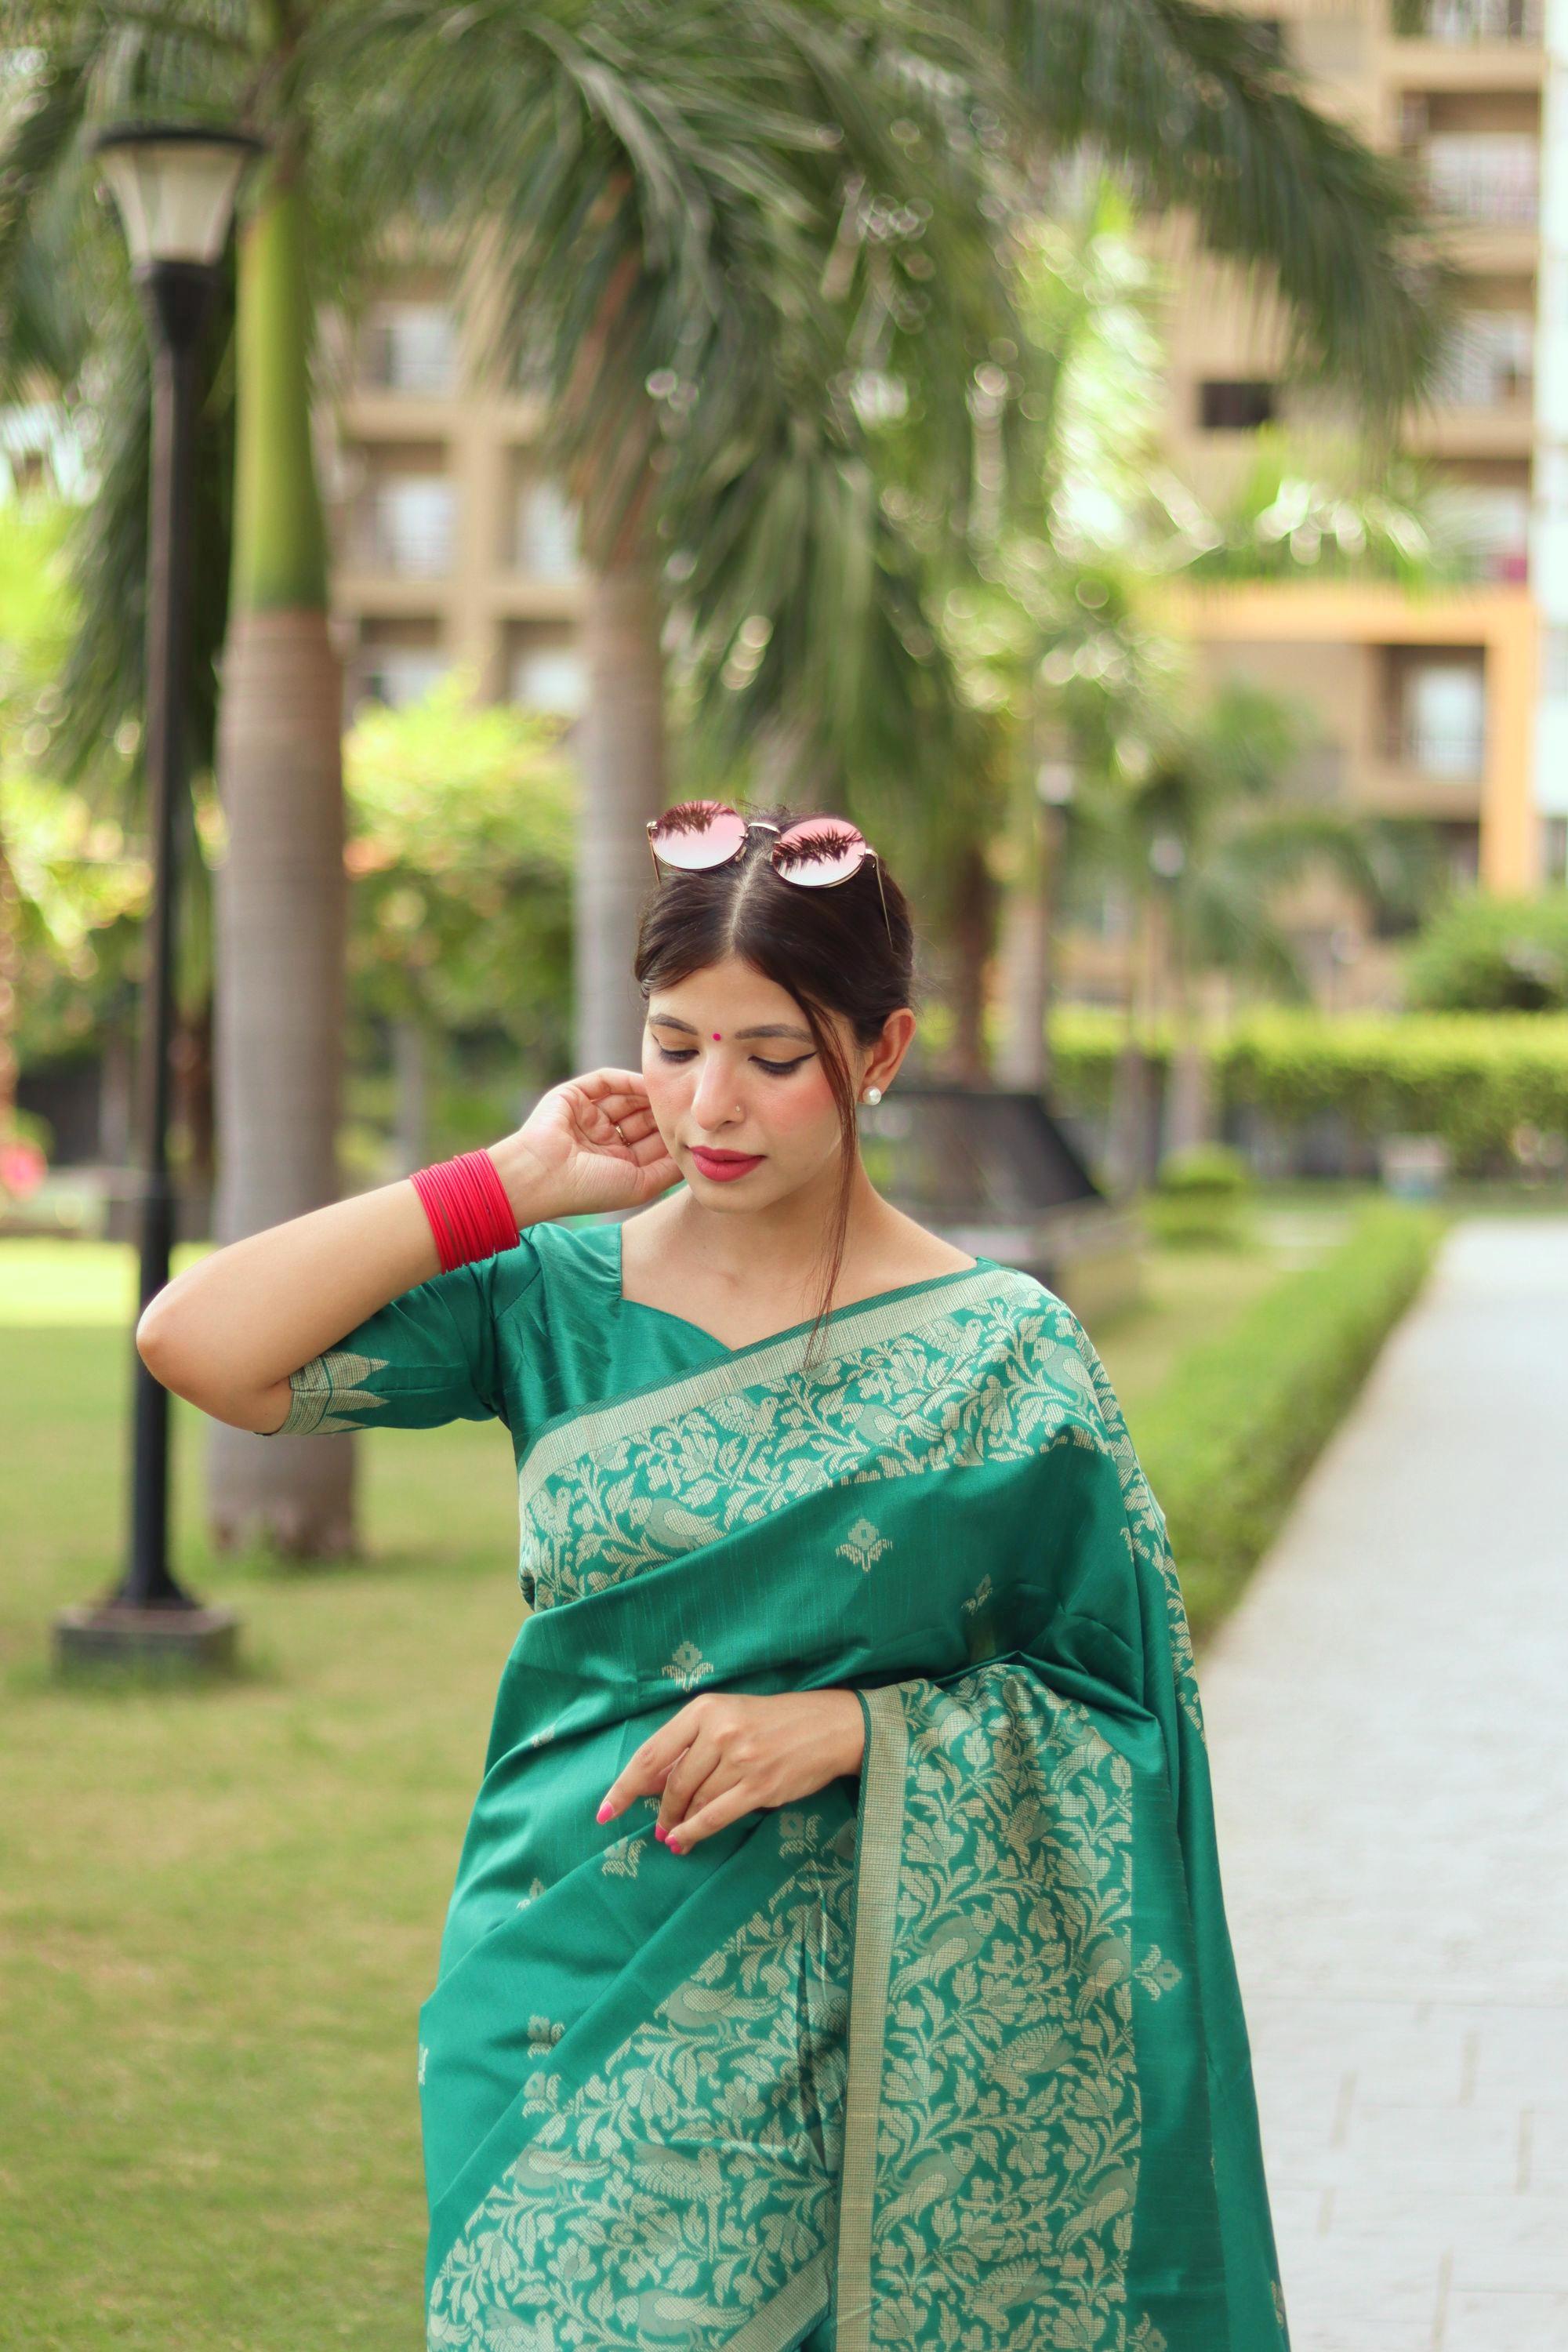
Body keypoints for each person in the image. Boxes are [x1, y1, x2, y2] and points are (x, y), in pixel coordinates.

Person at [136, 800, 1292, 2351]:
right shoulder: (545, 1299)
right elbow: (199, 1345)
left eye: (773, 1054)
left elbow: (1120, 1715)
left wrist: (858, 1731)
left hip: (866, 2020)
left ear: (877, 1055)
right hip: (557, 1978)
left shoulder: (1005, 1356)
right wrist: (506, 1182)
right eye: (675, 1045)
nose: (713, 1105)